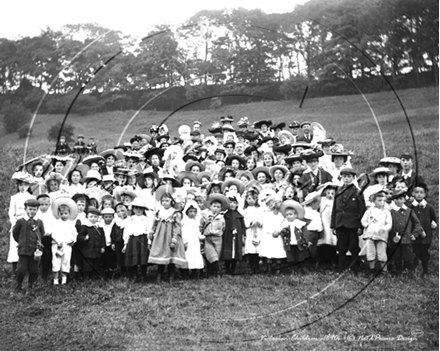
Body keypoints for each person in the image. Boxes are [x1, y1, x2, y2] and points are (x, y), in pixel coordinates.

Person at [331, 167, 366, 273]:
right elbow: (335, 209)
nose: (346, 179)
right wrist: (333, 225)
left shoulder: (358, 192)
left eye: (349, 177)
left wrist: (360, 226)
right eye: (344, 176)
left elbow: (362, 210)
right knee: (341, 246)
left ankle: (354, 268)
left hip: (353, 224)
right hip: (340, 223)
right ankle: (340, 268)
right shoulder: (338, 191)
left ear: (354, 178)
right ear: (341, 177)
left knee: (353, 246)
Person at [148, 191, 187, 283]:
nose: (164, 202)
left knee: (170, 255)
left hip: (170, 236)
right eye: (163, 201)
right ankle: (159, 275)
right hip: (160, 236)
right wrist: (152, 231)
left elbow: (177, 226)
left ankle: (171, 276)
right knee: (161, 254)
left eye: (166, 201)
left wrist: (175, 238)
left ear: (171, 202)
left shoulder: (175, 213)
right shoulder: (159, 212)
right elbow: (155, 223)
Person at [12, 199, 44, 293]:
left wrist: (37, 244)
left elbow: (41, 234)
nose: (32, 212)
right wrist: (21, 242)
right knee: (21, 269)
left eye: (34, 209)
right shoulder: (21, 221)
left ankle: (30, 286)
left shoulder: (39, 222)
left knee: (34, 269)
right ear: (26, 209)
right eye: (30, 209)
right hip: (23, 250)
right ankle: (18, 286)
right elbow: (15, 234)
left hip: (35, 251)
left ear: (37, 210)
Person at [388, 189, 422, 277]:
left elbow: (417, 223)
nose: (399, 201)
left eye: (401, 199)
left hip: (407, 239)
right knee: (396, 256)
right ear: (393, 200)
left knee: (408, 255)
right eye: (396, 199)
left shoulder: (409, 211)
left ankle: (410, 272)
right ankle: (398, 271)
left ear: (404, 199)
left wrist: (415, 234)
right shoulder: (390, 212)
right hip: (394, 240)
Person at [8, 172, 35, 275]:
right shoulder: (14, 197)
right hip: (17, 222)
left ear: (28, 186)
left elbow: (34, 211)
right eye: (20, 185)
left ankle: (27, 267)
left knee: (27, 243)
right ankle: (15, 269)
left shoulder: (32, 197)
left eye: (25, 185)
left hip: (28, 222)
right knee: (15, 245)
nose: (23, 187)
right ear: (18, 186)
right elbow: (11, 213)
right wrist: (14, 223)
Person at [408, 183, 438, 277]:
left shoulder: (429, 208)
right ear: (413, 193)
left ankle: (425, 271)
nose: (419, 194)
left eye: (421, 192)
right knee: (414, 252)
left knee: (425, 253)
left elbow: (434, 219)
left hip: (426, 236)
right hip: (414, 236)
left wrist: (434, 224)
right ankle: (413, 270)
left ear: (424, 194)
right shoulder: (410, 207)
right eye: (417, 192)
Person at [361, 189, 392, 274]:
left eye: (383, 200)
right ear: (373, 201)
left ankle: (384, 271)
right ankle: (372, 270)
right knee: (370, 252)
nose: (381, 202)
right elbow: (363, 220)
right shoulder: (369, 211)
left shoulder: (386, 212)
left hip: (381, 235)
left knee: (381, 252)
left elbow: (389, 223)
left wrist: (384, 229)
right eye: (379, 200)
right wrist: (367, 225)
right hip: (370, 234)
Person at [123, 198, 153, 282]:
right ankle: (134, 275)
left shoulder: (146, 220)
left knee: (143, 258)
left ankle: (144, 274)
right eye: (136, 208)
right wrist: (126, 243)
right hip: (133, 240)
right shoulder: (130, 219)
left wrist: (149, 242)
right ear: (133, 209)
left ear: (144, 210)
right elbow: (127, 231)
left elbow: (149, 231)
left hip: (143, 239)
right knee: (134, 258)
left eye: (140, 208)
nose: (138, 210)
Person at [51, 197, 78, 285]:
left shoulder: (71, 223)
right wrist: (58, 241)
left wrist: (73, 240)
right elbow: (53, 233)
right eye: (61, 213)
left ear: (69, 214)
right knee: (56, 260)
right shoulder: (56, 222)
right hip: (57, 244)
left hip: (67, 244)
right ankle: (55, 279)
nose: (63, 215)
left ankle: (64, 278)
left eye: (66, 213)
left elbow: (74, 233)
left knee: (66, 260)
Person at [200, 194, 228, 278]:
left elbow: (223, 227)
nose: (216, 208)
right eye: (214, 206)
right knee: (210, 253)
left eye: (218, 207)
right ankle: (217, 271)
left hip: (218, 238)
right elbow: (201, 226)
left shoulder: (222, 217)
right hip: (208, 237)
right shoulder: (205, 216)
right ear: (210, 207)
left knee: (216, 254)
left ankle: (212, 272)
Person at [258, 194, 286, 275]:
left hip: (277, 235)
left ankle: (278, 269)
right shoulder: (266, 214)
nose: (274, 205)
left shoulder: (281, 215)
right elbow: (265, 225)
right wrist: (271, 232)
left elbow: (283, 224)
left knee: (278, 252)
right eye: (272, 204)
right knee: (268, 253)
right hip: (269, 235)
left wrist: (279, 231)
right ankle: (269, 269)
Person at [77, 207, 105, 280]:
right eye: (91, 216)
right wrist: (84, 238)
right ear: (87, 217)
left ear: (98, 218)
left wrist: (103, 247)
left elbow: (103, 238)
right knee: (87, 265)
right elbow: (79, 236)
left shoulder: (99, 227)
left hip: (97, 250)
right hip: (87, 250)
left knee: (96, 264)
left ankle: (94, 278)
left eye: (95, 217)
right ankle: (86, 278)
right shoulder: (85, 226)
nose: (93, 218)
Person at [279, 200, 308, 270]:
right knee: (290, 256)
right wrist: (283, 231)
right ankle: (292, 269)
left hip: (299, 242)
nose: (288, 216)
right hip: (289, 243)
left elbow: (305, 233)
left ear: (295, 215)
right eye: (287, 215)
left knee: (300, 256)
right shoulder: (285, 223)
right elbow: (282, 233)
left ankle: (300, 269)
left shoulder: (300, 223)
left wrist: (305, 240)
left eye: (290, 214)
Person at [221, 196, 246, 275]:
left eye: (234, 203)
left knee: (235, 252)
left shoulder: (239, 216)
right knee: (228, 251)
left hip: (236, 237)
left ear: (237, 204)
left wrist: (242, 235)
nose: (232, 205)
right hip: (228, 236)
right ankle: (227, 269)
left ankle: (233, 269)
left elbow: (242, 227)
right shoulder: (225, 216)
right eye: (230, 203)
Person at [181, 200, 205, 279]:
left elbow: (197, 231)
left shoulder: (196, 221)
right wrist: (185, 241)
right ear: (187, 212)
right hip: (188, 241)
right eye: (190, 211)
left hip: (195, 241)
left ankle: (194, 272)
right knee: (187, 256)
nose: (192, 213)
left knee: (195, 256)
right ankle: (185, 273)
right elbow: (184, 232)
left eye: (194, 212)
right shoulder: (185, 222)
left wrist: (200, 236)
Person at [242, 189, 263, 273]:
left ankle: (257, 265)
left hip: (258, 229)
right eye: (249, 199)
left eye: (253, 199)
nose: (251, 201)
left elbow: (262, 218)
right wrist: (249, 223)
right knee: (251, 247)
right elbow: (244, 220)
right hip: (250, 230)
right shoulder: (245, 210)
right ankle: (251, 265)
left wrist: (259, 222)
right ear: (246, 199)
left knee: (257, 247)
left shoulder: (259, 209)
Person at [35, 194, 55, 282]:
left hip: (48, 237)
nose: (43, 207)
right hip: (37, 237)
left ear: (49, 205)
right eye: (41, 204)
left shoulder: (52, 215)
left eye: (46, 204)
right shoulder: (36, 215)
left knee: (47, 255)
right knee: (36, 254)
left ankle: (45, 272)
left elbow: (54, 226)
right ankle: (34, 271)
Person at [111, 203, 129, 277]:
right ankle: (123, 272)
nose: (121, 213)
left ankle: (129, 272)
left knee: (127, 256)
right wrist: (113, 243)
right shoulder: (116, 222)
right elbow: (112, 233)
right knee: (120, 257)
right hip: (118, 242)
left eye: (122, 210)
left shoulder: (129, 220)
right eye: (118, 211)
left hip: (126, 242)